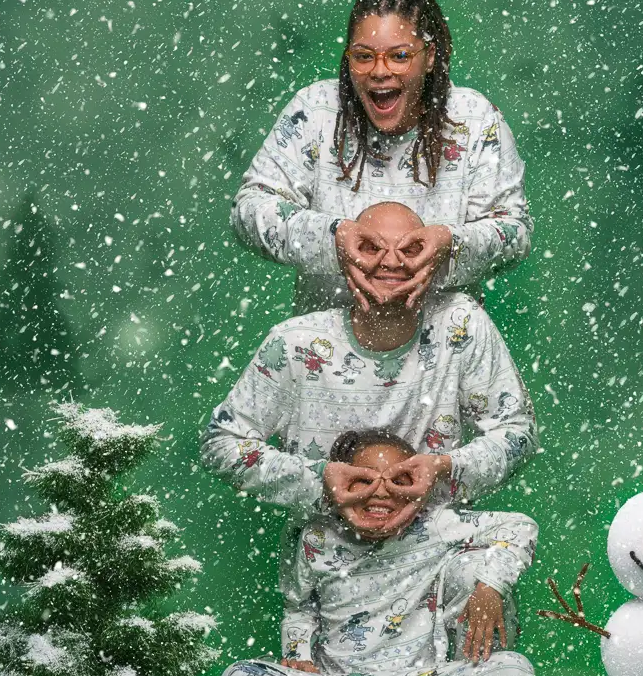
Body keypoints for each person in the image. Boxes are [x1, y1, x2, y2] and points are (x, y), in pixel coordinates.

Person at [219, 428, 537, 676]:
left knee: (515, 670)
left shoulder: (436, 525)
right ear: (339, 484)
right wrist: (298, 656)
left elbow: (520, 526)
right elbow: (299, 607)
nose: (382, 494)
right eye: (364, 481)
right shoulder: (316, 536)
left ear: (420, 487)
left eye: (399, 482)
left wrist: (491, 583)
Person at [201, 201, 537, 517]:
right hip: (324, 565)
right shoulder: (295, 343)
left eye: (410, 250)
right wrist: (318, 480)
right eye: (372, 249)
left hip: (438, 552)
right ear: (347, 256)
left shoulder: (461, 324)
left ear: (433, 259)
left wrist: (443, 470)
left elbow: (518, 434)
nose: (391, 262)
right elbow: (221, 442)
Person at [231, 0, 532, 315]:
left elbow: (514, 232)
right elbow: (248, 210)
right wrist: (331, 239)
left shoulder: (474, 120)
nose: (379, 71)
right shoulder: (315, 111)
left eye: (399, 56)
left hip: (447, 357)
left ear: (429, 56)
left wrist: (450, 245)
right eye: (363, 56)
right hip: (328, 358)